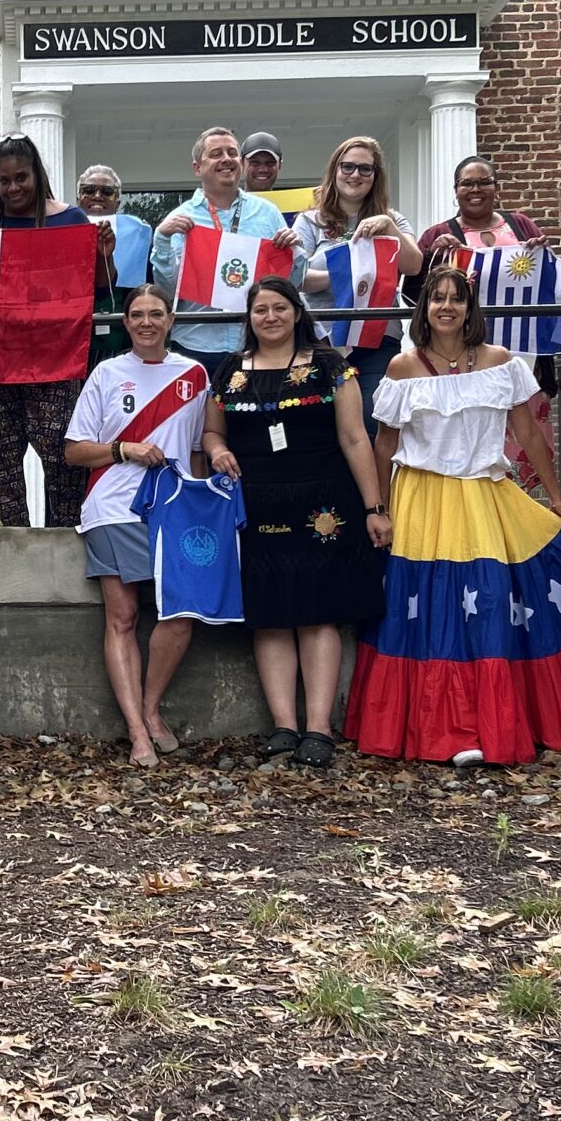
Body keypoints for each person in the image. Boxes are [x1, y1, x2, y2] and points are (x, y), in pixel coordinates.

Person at [348, 267, 561, 765]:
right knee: (430, 608)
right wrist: (380, 508)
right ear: (424, 308)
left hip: (485, 494)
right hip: (421, 498)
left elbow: (527, 434)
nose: (445, 307)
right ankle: (443, 729)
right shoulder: (402, 367)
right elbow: (385, 443)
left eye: (455, 299)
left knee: (487, 604)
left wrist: (558, 499)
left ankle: (488, 725)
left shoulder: (501, 362)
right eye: (436, 299)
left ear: (469, 308)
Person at [197, 276, 387, 770]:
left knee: (317, 612)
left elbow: (354, 439)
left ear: (297, 312)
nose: (271, 317)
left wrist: (374, 508)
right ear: (249, 318)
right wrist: (218, 453)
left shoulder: (330, 367)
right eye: (260, 310)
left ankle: (319, 729)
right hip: (256, 504)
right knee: (271, 613)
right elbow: (212, 434)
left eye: (280, 307)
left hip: (323, 505)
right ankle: (284, 726)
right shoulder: (230, 371)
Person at [61, 287, 211, 766]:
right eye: (137, 315)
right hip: (115, 507)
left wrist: (203, 499)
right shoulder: (107, 373)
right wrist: (124, 449)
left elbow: (196, 448)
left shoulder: (194, 373)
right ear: (125, 323)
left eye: (156, 314)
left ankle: (151, 708)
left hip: (175, 508)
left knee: (180, 614)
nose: (147, 322)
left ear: (171, 320)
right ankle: (137, 731)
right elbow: (73, 450)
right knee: (122, 618)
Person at [0, 134, 93, 529]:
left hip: (55, 360)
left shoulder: (71, 220)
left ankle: (66, 543)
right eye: (4, 181)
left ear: (37, 174)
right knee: (0, 465)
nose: (13, 188)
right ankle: (16, 546)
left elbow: (97, 290)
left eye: (21, 177)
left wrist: (103, 255)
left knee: (61, 459)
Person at [153, 125, 292, 382]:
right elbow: (168, 293)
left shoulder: (268, 213)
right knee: (200, 423)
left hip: (256, 343)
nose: (226, 159)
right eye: (216, 154)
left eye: (231, 153)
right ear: (197, 168)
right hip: (196, 345)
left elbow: (289, 284)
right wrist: (161, 240)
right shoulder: (179, 218)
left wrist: (295, 253)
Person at [296, 134, 424, 391]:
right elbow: (299, 279)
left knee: (371, 417)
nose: (356, 175)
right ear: (335, 170)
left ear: (376, 176)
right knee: (323, 420)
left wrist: (388, 226)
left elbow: (413, 265)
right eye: (348, 166)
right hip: (323, 337)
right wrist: (351, 274)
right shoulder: (309, 222)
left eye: (365, 168)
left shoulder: (394, 220)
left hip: (377, 335)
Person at [73, 165, 148, 371]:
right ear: (78, 196)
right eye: (89, 190)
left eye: (107, 192)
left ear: (118, 201)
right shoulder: (63, 230)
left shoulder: (137, 234)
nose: (97, 196)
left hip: (119, 344)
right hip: (73, 342)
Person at [416, 155, 545, 263]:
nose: (476, 189)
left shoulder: (521, 224)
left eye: (484, 182)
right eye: (467, 183)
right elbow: (411, 288)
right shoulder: (437, 234)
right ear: (456, 190)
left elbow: (551, 276)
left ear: (496, 188)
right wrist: (432, 256)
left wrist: (541, 254)